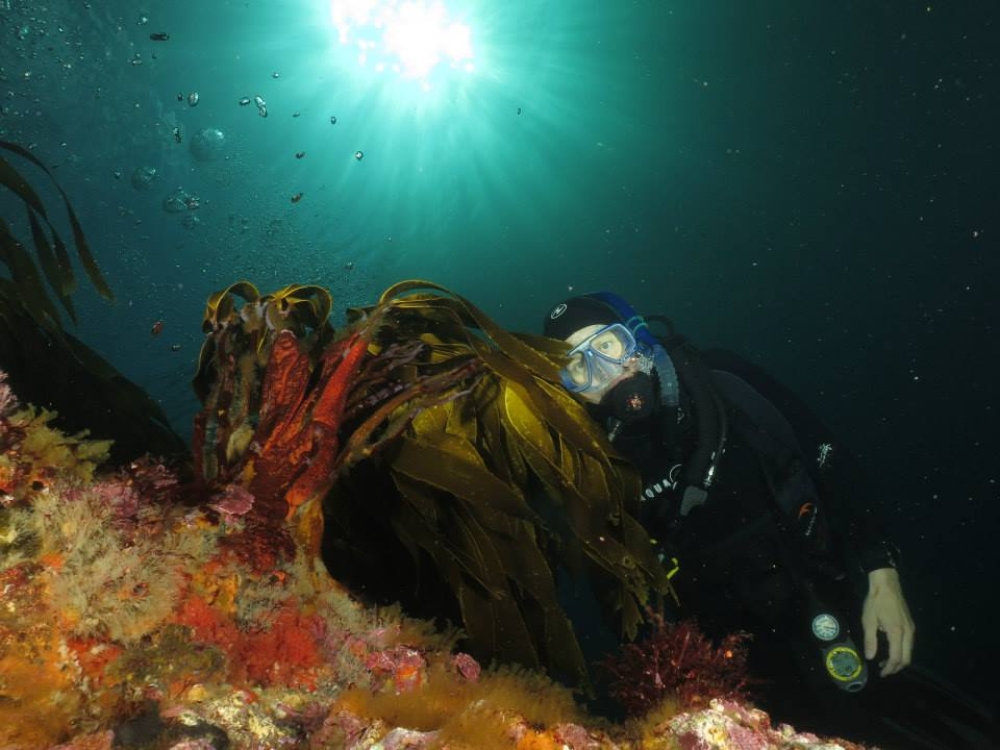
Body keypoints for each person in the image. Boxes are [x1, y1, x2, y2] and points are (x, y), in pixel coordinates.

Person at [542, 291, 924, 743]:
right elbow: (612, 588)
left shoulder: (721, 382)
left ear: (637, 335)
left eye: (608, 345)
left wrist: (882, 575)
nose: (605, 371)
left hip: (829, 596)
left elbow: (827, 458)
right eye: (580, 366)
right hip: (728, 657)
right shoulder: (592, 465)